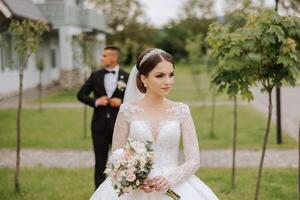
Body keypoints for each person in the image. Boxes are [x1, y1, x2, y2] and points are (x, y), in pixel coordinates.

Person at [90, 48, 219, 199]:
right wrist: (135, 178)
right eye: (160, 76)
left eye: (171, 75)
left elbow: (193, 160)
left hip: (175, 185)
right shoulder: (127, 110)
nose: (168, 81)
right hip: (136, 188)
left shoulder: (181, 110)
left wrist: (169, 179)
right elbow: (117, 153)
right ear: (144, 79)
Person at [77, 46, 129, 189]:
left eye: (105, 55)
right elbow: (81, 94)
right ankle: (99, 194)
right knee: (100, 163)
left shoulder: (127, 76)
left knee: (122, 162)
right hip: (98, 127)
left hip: (120, 127)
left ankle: (122, 192)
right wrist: (96, 101)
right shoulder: (95, 75)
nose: (102, 58)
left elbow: (136, 101)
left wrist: (122, 103)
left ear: (114, 58)